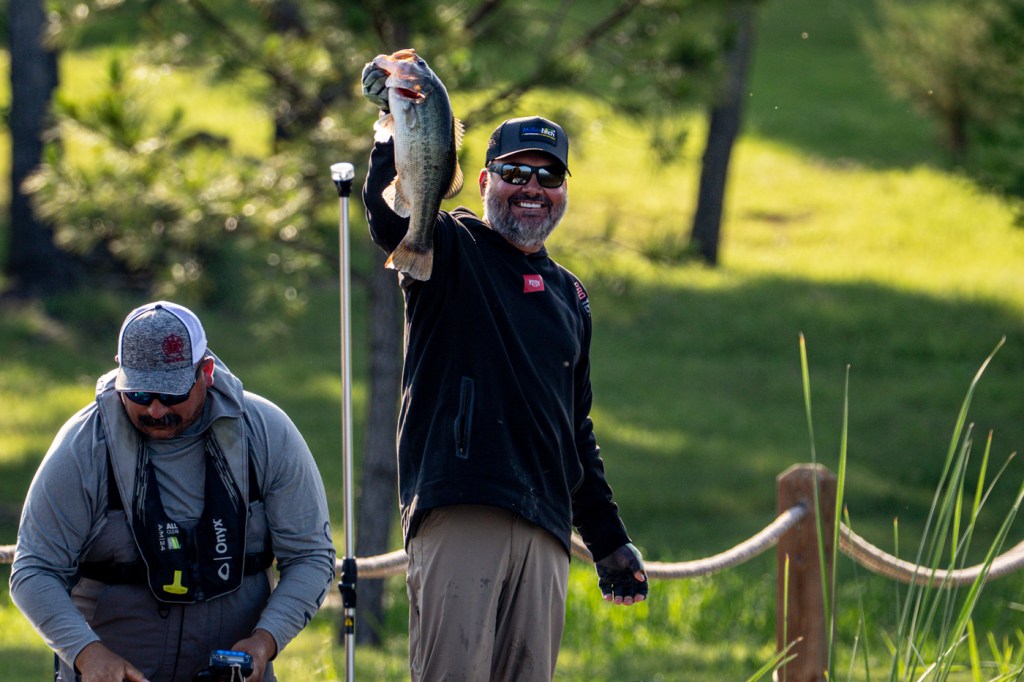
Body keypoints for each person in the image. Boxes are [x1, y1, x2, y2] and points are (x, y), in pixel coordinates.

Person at [362, 63, 649, 682]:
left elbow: (574, 431)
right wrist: (393, 122)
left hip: (547, 529)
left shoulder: (571, 297)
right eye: (515, 173)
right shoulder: (449, 247)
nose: (531, 188)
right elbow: (391, 218)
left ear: (564, 191)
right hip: (462, 507)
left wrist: (607, 540)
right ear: (485, 179)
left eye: (549, 176)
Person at [10, 301, 336, 682]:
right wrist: (88, 654)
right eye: (139, 393)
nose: (155, 409)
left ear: (206, 372)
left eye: (171, 393)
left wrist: (265, 641)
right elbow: (34, 570)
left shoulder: (266, 434)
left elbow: (312, 557)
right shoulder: (84, 447)